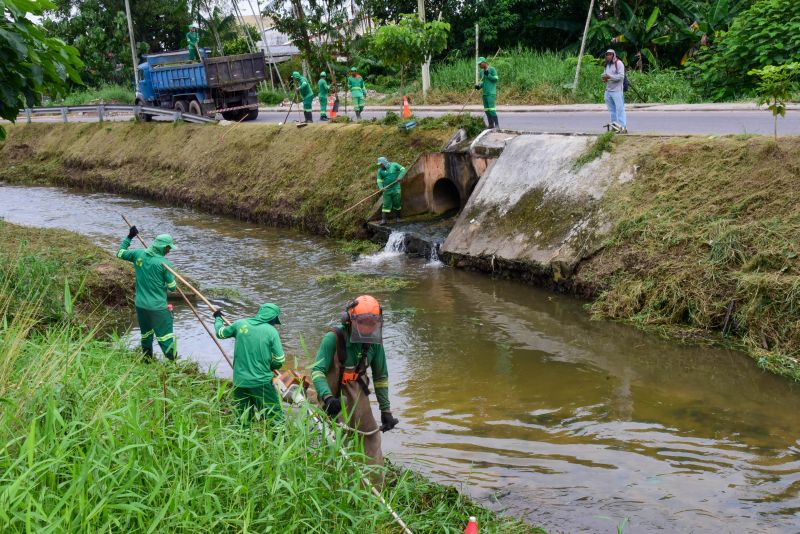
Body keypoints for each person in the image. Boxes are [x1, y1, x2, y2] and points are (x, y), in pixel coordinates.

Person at [310, 295, 399, 471]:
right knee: (334, 440)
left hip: (358, 395)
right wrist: (327, 397)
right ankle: (334, 479)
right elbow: (317, 371)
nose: (367, 328)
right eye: (362, 322)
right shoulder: (332, 339)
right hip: (334, 397)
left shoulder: (374, 343)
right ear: (349, 320)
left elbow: (381, 378)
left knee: (371, 439)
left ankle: (373, 484)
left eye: (372, 323)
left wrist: (385, 410)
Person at [214, 303, 286, 426]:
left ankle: (244, 439)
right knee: (274, 416)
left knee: (243, 416)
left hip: (240, 382)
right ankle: (280, 441)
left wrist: (218, 319)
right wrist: (270, 366)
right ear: (272, 318)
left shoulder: (240, 324)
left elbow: (220, 333)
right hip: (261, 382)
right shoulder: (271, 331)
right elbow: (280, 359)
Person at [117, 227, 179, 361]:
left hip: (141, 305)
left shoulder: (138, 254)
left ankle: (146, 360)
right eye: (168, 248)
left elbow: (120, 253)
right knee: (165, 337)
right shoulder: (164, 264)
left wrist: (129, 237)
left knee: (146, 335)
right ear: (162, 247)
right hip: (158, 308)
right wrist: (173, 279)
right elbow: (172, 288)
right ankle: (173, 364)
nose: (169, 251)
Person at [602, 49, 627, 133]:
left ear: (614, 55)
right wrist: (605, 78)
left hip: (617, 91)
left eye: (610, 54)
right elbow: (605, 75)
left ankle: (623, 127)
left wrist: (610, 76)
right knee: (612, 110)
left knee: (620, 109)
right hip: (608, 90)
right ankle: (614, 126)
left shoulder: (619, 63)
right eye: (607, 54)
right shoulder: (607, 65)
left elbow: (621, 77)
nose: (608, 56)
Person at [376, 157, 406, 224]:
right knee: (386, 204)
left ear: (384, 162)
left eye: (381, 164)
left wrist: (400, 177)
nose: (380, 166)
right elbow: (379, 181)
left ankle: (398, 218)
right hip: (386, 190)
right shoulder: (380, 171)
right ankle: (384, 220)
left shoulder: (394, 165)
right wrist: (381, 187)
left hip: (396, 189)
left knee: (397, 203)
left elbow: (403, 169)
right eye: (379, 164)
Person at [475, 56, 499, 129]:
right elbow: (483, 82)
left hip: (491, 93)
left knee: (491, 109)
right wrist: (478, 87)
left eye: (480, 64)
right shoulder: (482, 72)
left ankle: (497, 125)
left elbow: (495, 79)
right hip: (484, 93)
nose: (479, 65)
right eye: (478, 64)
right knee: (486, 110)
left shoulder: (492, 69)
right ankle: (491, 124)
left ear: (484, 62)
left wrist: (488, 74)